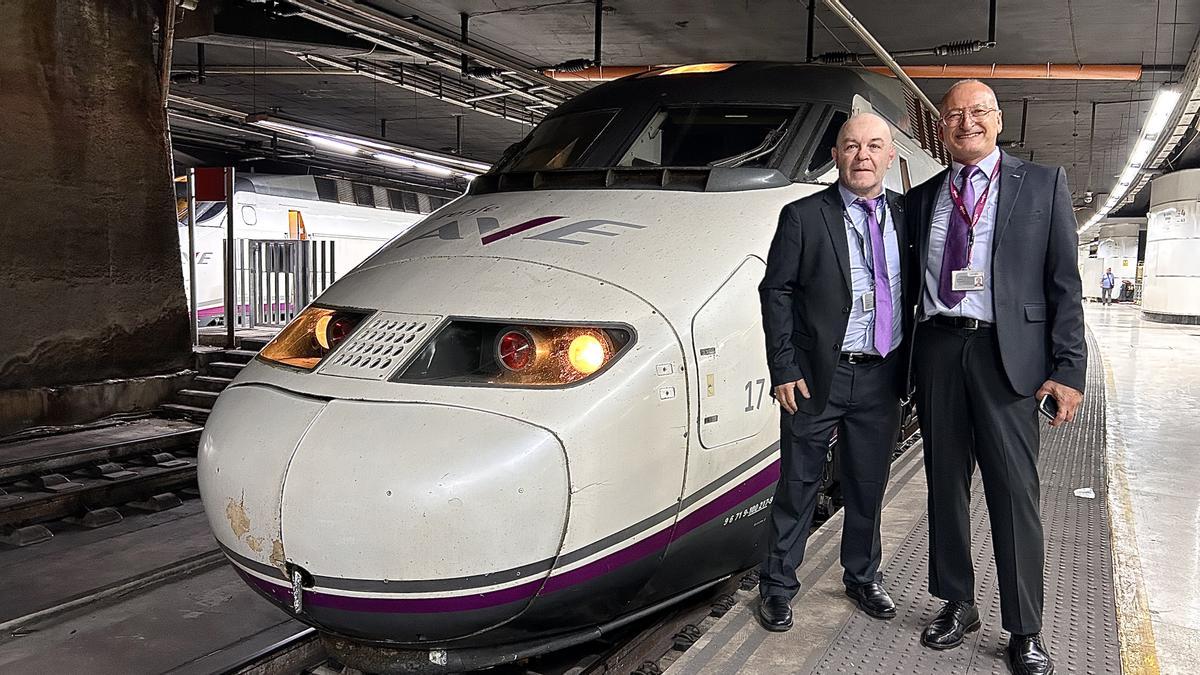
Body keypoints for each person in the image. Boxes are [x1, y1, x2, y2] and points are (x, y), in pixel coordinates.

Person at [905, 79, 1085, 675]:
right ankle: (958, 603)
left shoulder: (1042, 183)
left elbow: (1063, 284)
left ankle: (1025, 628)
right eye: (954, 114)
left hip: (1008, 359)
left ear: (999, 119)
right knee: (945, 488)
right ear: (942, 126)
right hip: (938, 349)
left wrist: (1068, 370)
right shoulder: (925, 197)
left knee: (1014, 495)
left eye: (978, 111)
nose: (967, 122)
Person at [757, 112, 911, 631]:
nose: (862, 156)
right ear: (836, 154)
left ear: (890, 156)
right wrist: (783, 366)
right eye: (850, 146)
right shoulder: (803, 216)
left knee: (868, 484)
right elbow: (775, 291)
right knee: (798, 483)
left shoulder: (908, 216)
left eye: (873, 146)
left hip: (882, 375)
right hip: (817, 377)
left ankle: (862, 576)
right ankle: (778, 586)